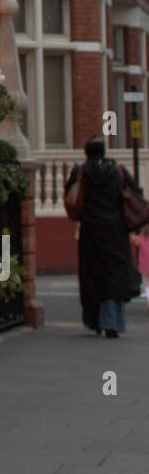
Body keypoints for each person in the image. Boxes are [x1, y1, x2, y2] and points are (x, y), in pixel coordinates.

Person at [66, 138, 139, 338]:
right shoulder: (118, 171)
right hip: (116, 230)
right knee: (114, 275)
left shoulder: (81, 172)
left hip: (90, 230)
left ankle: (95, 320)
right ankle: (113, 321)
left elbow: (70, 198)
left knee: (92, 275)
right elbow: (136, 193)